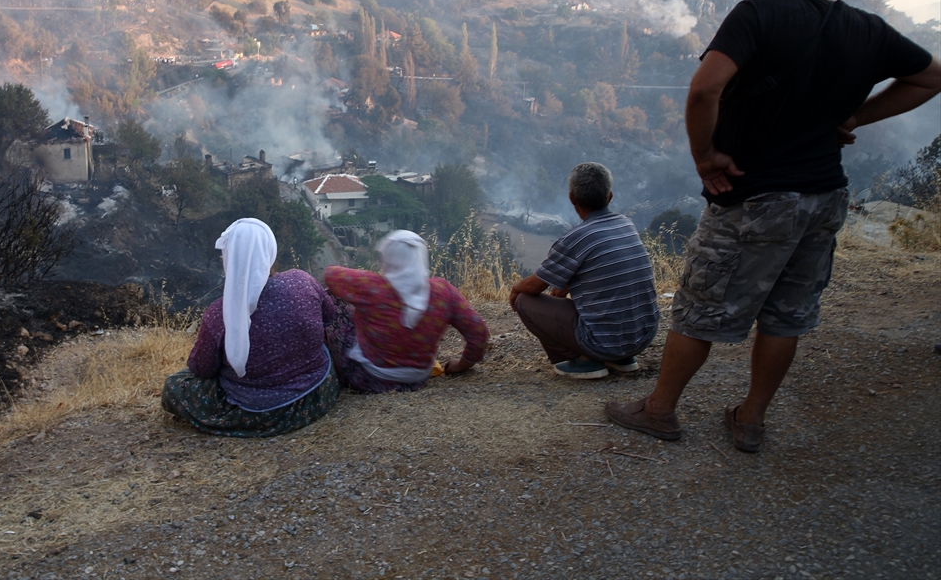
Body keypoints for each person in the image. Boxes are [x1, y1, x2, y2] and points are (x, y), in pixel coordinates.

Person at [606, 0, 941, 452]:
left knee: (699, 306)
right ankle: (750, 420)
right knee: (787, 314)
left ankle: (659, 409)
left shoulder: (758, 15)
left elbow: (702, 90)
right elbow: (931, 76)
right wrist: (855, 117)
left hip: (755, 197)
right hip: (825, 195)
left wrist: (706, 157)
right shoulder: (867, 29)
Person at [162, 218, 340, 437]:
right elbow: (330, 317)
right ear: (270, 251)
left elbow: (202, 369)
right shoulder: (302, 280)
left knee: (174, 384)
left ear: (228, 260)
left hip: (262, 413)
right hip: (320, 392)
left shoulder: (220, 313)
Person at [509, 163, 659, 379]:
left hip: (604, 342)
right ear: (610, 196)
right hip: (643, 336)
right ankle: (620, 359)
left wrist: (515, 289)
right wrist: (566, 284)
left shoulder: (576, 237)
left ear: (572, 198)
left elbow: (534, 286)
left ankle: (587, 360)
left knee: (524, 300)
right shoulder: (626, 224)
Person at [323, 230, 489, 393]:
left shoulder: (373, 287)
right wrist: (462, 364)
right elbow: (479, 332)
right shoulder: (444, 292)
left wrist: (368, 277)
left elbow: (330, 274)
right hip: (416, 379)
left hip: (367, 378)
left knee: (332, 297)